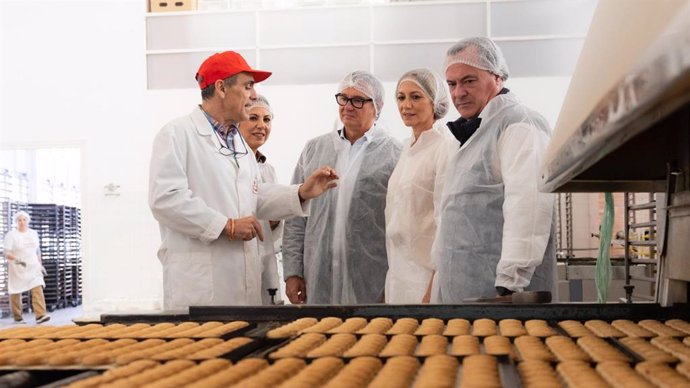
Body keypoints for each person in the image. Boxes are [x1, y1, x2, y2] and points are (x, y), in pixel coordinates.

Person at [148, 51, 338, 309]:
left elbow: (253, 196)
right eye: (247, 86)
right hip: (201, 286)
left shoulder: (236, 142)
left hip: (242, 284)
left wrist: (301, 193)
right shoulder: (177, 134)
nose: (253, 95)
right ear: (221, 88)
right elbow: (165, 199)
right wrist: (227, 225)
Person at [431, 37, 556, 303]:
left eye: (469, 80)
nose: (458, 93)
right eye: (451, 84)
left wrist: (510, 286)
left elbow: (528, 206)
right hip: (462, 292)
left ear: (497, 77)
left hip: (501, 297)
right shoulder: (471, 134)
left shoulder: (519, 124)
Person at [283, 70, 402, 305]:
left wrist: (395, 281)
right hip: (318, 277)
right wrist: (292, 271)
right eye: (343, 98)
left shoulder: (394, 154)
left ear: (377, 106)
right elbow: (296, 214)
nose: (348, 106)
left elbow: (400, 225)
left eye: (358, 100)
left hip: (373, 278)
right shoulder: (314, 149)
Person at [384, 68, 452, 304]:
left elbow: (446, 223)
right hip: (398, 276)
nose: (406, 105)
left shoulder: (445, 146)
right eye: (401, 97)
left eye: (416, 97)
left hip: (426, 280)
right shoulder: (407, 149)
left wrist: (431, 291)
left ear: (435, 101)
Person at [237, 94, 283, 305]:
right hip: (238, 264)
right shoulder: (231, 165)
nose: (261, 125)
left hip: (266, 261)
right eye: (253, 118)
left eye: (267, 119)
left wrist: (275, 222)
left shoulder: (268, 169)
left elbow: (276, 226)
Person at [3, 211, 51, 324]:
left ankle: (40, 315)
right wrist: (18, 260)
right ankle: (17, 317)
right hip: (17, 267)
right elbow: (7, 253)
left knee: (37, 287)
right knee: (15, 291)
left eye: (24, 219)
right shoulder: (11, 235)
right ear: (16, 222)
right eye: (19, 220)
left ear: (28, 221)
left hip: (33, 267)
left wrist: (40, 264)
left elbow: (37, 250)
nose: (22, 222)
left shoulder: (33, 233)